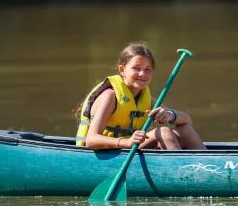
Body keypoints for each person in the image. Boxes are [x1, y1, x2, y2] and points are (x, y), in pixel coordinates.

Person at [76, 42, 206, 150]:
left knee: (185, 130)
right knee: (163, 132)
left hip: (131, 149)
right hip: (110, 152)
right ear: (122, 70)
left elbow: (187, 120)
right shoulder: (109, 97)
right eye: (136, 68)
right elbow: (91, 140)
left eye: (147, 69)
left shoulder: (145, 99)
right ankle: (181, 172)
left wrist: (170, 116)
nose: (142, 74)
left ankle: (209, 167)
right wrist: (126, 142)